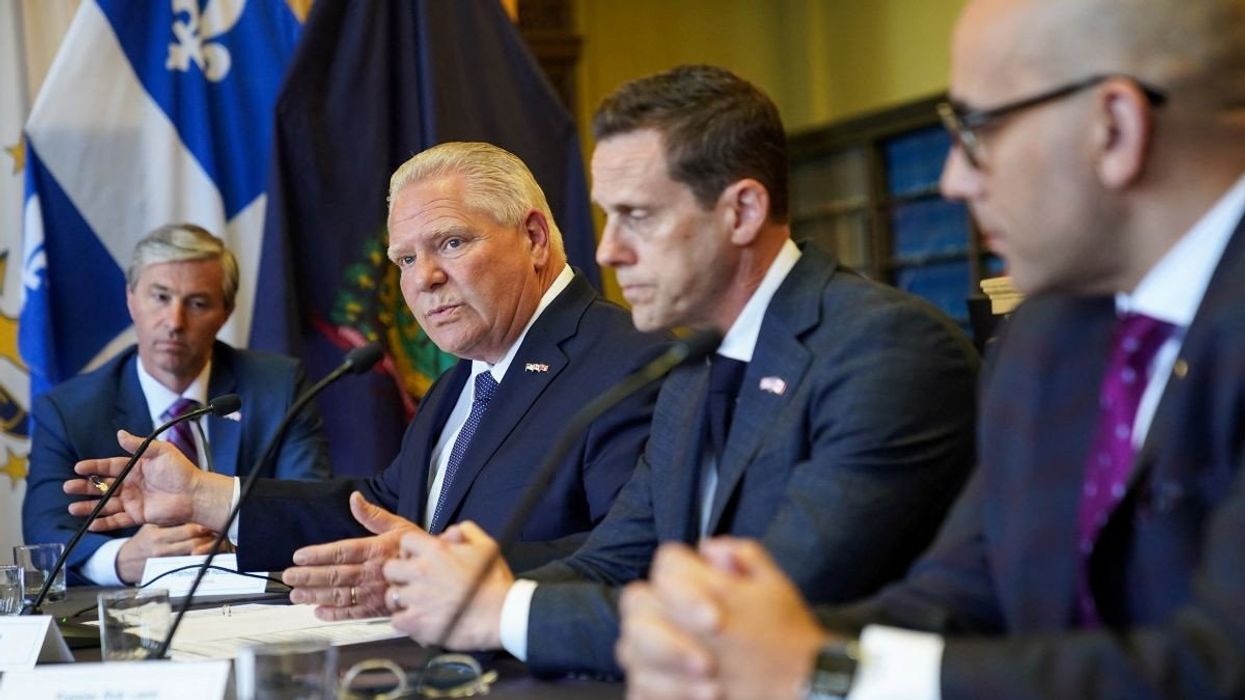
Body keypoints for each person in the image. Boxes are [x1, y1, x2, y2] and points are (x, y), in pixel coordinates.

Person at [614, 0, 1245, 698]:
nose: (953, 179)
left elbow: (1216, 669)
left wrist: (825, 672)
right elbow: (957, 602)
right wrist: (725, 649)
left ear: (1114, 128)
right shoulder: (1049, 332)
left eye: (976, 129)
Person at [377, 65, 979, 678]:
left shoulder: (883, 351)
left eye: (637, 216)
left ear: (741, 212)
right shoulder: (692, 369)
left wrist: (503, 612)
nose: (608, 250)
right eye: (607, 217)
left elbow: (757, 614)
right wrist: (473, 593)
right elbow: (614, 560)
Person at [67, 142, 667, 616]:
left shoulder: (628, 362)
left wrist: (436, 573)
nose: (423, 279)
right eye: (404, 259)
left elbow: (636, 556)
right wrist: (207, 496)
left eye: (451, 243)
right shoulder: (464, 382)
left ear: (534, 237)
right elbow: (382, 511)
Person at [23, 224, 331, 586]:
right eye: (160, 297)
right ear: (131, 298)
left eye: (197, 303)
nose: (174, 322)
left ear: (226, 312)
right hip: (132, 614)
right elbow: (45, 532)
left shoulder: (277, 388)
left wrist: (236, 538)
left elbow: (310, 508)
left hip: (252, 603)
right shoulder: (68, 411)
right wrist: (123, 560)